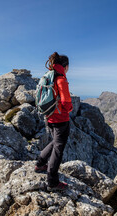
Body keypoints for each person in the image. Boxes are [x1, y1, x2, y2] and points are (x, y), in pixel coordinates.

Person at [35, 52, 73, 191]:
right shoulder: (61, 78)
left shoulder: (48, 76)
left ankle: (40, 164)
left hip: (49, 117)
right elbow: (66, 102)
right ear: (65, 66)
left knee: (55, 141)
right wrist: (69, 109)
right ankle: (52, 181)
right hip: (60, 119)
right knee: (58, 149)